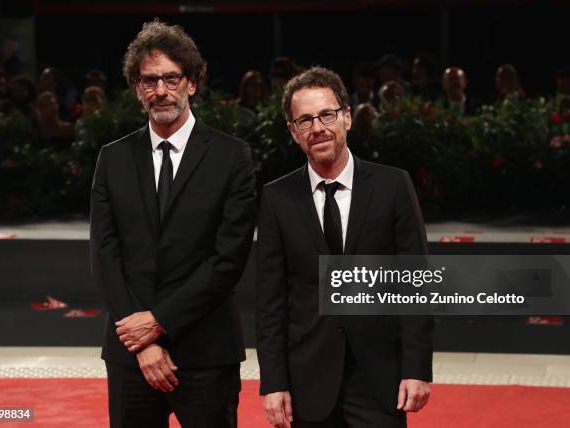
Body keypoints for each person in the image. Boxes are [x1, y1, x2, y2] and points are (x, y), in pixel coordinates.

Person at [90, 19, 256, 428]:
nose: (160, 90)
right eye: (149, 81)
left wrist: (158, 323)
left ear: (192, 83)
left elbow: (228, 259)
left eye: (171, 77)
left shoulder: (232, 157)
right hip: (131, 356)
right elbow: (105, 255)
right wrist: (142, 343)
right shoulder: (112, 159)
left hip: (206, 353)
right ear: (136, 89)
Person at [256, 67, 433, 427]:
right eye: (304, 120)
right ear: (293, 132)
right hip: (307, 380)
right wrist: (273, 383)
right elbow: (270, 302)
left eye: (326, 114)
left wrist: (417, 368)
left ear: (347, 117)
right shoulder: (277, 198)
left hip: (379, 378)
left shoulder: (393, 185)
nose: (317, 127)